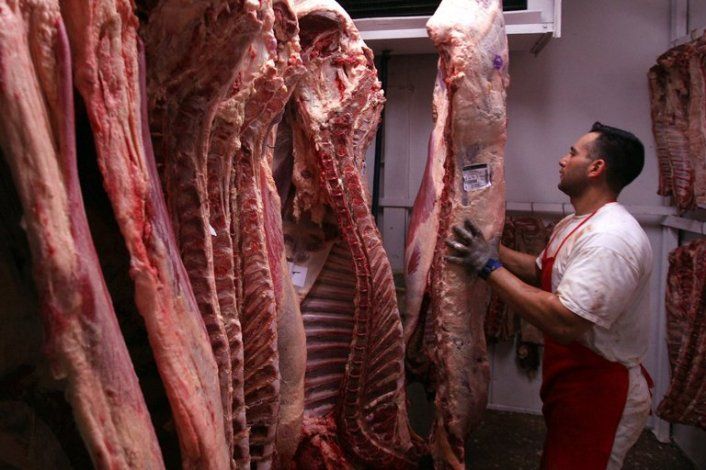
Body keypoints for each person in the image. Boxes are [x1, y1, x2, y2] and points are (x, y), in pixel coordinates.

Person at [446, 122, 654, 470]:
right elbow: (540, 270)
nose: (562, 159)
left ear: (596, 168)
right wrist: (492, 249)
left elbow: (564, 322)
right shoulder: (576, 223)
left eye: (573, 153)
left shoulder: (610, 239)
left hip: (602, 390)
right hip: (573, 383)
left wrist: (488, 266)